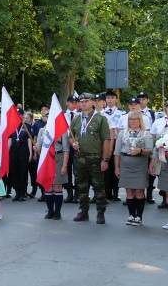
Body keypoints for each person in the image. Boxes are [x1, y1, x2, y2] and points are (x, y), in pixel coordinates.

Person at [70, 93, 112, 224]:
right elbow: (70, 136)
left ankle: (100, 213)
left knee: (98, 186)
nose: (83, 103)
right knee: (81, 186)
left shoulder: (100, 119)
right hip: (79, 158)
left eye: (86, 101)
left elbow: (106, 139)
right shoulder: (76, 119)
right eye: (81, 101)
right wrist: (73, 143)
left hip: (95, 158)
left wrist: (105, 159)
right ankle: (83, 211)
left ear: (93, 103)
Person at [114, 112, 153, 226]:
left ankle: (139, 217)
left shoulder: (146, 134)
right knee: (129, 191)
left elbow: (150, 151)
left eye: (135, 119)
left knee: (139, 191)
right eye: (131, 119)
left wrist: (140, 151)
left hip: (140, 163)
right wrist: (117, 167)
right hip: (126, 163)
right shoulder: (123, 133)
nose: (133, 121)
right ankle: (131, 215)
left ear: (140, 121)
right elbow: (117, 152)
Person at [41, 124, 70, 221]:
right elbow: (40, 146)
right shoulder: (43, 130)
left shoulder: (62, 131)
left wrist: (64, 165)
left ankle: (57, 212)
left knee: (57, 185)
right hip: (46, 159)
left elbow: (66, 149)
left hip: (58, 158)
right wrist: (36, 149)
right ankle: (50, 211)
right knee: (48, 186)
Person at [8, 109, 32, 201]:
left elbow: (29, 140)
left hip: (23, 148)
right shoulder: (12, 126)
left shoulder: (27, 126)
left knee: (23, 171)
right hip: (14, 149)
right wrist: (7, 152)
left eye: (20, 114)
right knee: (14, 171)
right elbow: (10, 140)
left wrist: (30, 153)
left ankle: (23, 192)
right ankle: (17, 192)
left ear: (22, 115)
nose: (19, 116)